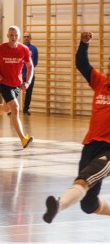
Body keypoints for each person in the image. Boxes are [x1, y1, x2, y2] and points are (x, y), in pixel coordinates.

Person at [43, 31, 110, 224]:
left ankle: (58, 205)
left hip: (108, 149)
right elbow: (82, 64)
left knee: (85, 178)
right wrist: (84, 43)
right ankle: (59, 205)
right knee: (88, 205)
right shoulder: (100, 82)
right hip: (90, 145)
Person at [0, 25, 34, 149]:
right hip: (4, 83)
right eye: (11, 35)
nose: (13, 37)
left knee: (6, 108)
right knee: (15, 107)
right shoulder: (0, 48)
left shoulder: (24, 49)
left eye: (16, 35)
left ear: (19, 36)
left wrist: (27, 82)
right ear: (7, 36)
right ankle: (23, 139)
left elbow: (30, 66)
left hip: (16, 84)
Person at [21, 32, 38, 115]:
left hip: (29, 75)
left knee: (29, 92)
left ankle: (25, 109)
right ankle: (11, 108)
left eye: (28, 37)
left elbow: (35, 62)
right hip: (19, 74)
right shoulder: (19, 47)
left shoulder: (34, 49)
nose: (26, 38)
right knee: (14, 91)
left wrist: (29, 70)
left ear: (30, 38)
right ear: (22, 38)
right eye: (25, 36)